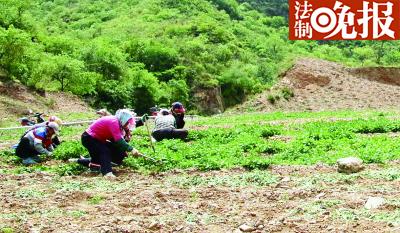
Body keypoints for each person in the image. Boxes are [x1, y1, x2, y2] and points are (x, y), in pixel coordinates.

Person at [75, 109, 143, 177]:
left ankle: (86, 162)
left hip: (98, 139)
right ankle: (107, 173)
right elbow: (119, 140)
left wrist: (123, 150)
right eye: (127, 122)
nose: (128, 124)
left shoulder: (118, 124)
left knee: (119, 153)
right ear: (123, 119)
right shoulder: (114, 122)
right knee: (104, 151)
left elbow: (116, 141)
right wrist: (132, 149)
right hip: (89, 138)